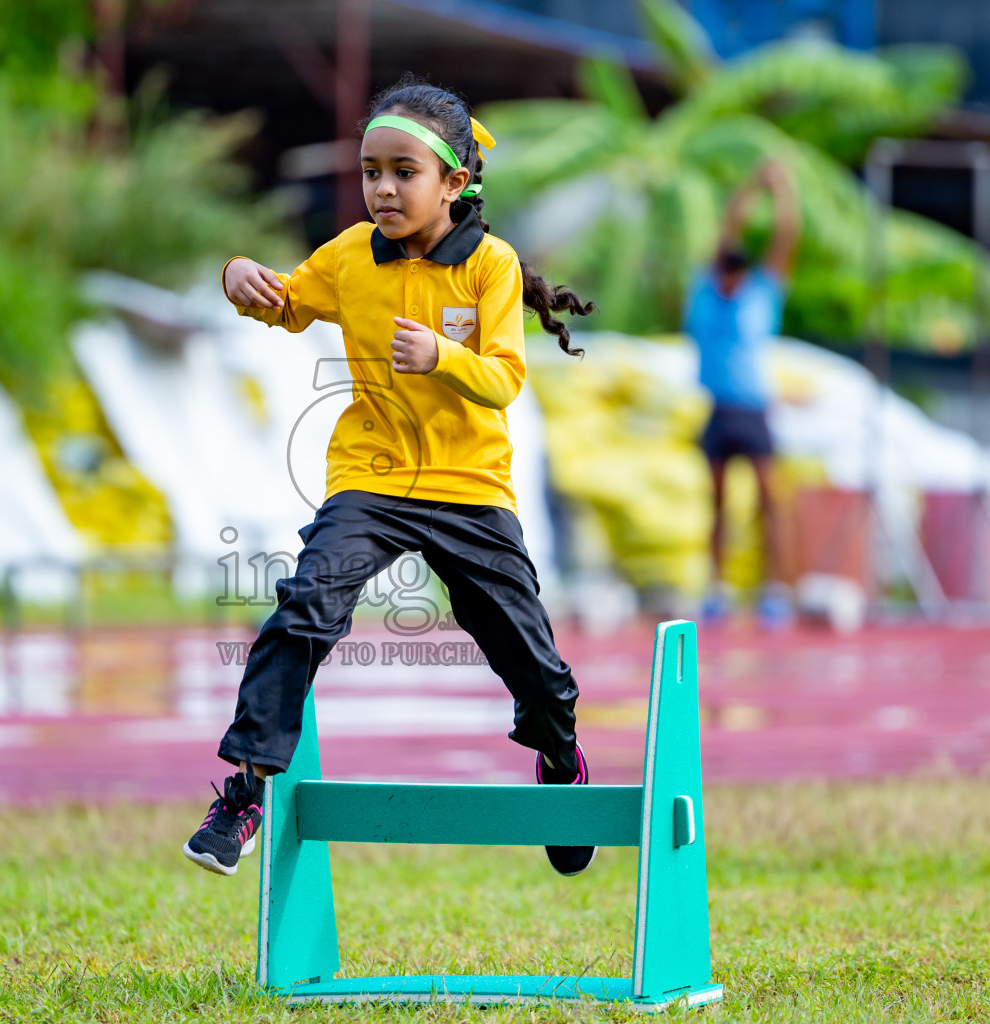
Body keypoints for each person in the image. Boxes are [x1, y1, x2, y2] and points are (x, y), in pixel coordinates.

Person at [184, 75, 596, 880]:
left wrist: (442, 356)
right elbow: (287, 300)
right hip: (370, 477)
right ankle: (245, 790)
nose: (383, 188)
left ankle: (558, 753)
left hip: (468, 486)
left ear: (455, 182)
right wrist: (239, 276)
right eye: (372, 171)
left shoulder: (492, 267)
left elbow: (507, 376)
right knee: (305, 607)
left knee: (533, 661)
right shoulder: (349, 256)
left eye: (403, 173)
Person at [684, 159, 800, 627]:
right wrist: (752, 184)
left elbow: (786, 238)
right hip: (718, 410)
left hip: (754, 411)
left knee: (770, 500)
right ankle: (717, 588)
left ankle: (775, 590)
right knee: (718, 503)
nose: (730, 280)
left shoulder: (761, 296)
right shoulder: (706, 295)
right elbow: (727, 230)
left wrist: (783, 187)